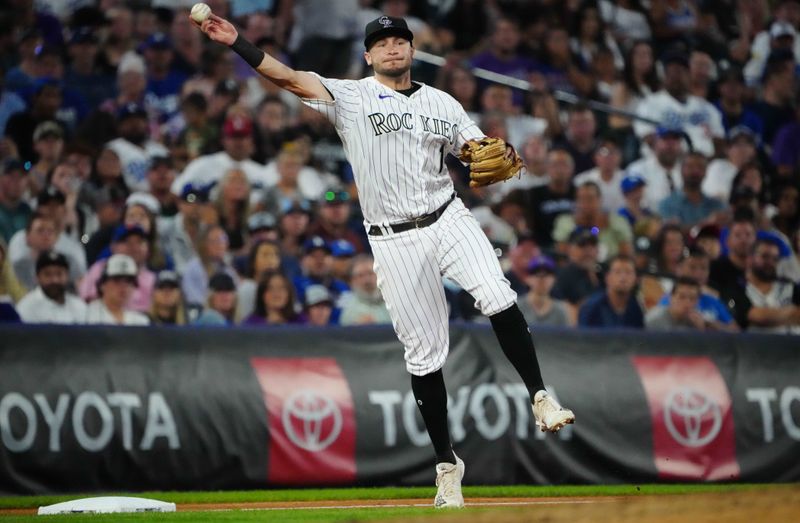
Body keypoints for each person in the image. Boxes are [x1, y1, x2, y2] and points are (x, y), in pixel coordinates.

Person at [195, 11, 574, 508]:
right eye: (382, 42)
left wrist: (484, 152)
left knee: (496, 294)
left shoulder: (443, 102)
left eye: (400, 40)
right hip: (393, 239)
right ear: (368, 55)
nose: (393, 47)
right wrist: (237, 42)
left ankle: (541, 396)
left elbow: (477, 152)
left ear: (412, 51)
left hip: (446, 216)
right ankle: (446, 466)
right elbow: (286, 77)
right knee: (424, 356)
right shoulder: (350, 97)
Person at [16, 251, 87, 324]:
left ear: (67, 276)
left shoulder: (79, 306)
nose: (54, 280)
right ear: (37, 277)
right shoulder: (27, 307)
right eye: (47, 274)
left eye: (59, 274)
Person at [578, 254, 644, 328]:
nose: (623, 278)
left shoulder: (636, 308)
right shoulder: (591, 308)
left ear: (636, 279)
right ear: (607, 277)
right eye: (617, 272)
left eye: (628, 272)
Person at [85, 253, 150, 326]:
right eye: (117, 280)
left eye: (129, 281)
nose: (124, 286)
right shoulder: (85, 315)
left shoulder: (140, 321)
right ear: (102, 285)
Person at [516, 255, 572, 327]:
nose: (541, 278)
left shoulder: (561, 310)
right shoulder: (516, 307)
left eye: (547, 274)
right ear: (527, 278)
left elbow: (566, 337)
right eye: (536, 273)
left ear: (554, 279)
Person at [339, 253, 392, 326]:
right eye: (360, 276)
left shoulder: (394, 301)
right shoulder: (349, 311)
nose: (367, 280)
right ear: (352, 281)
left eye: (370, 273)